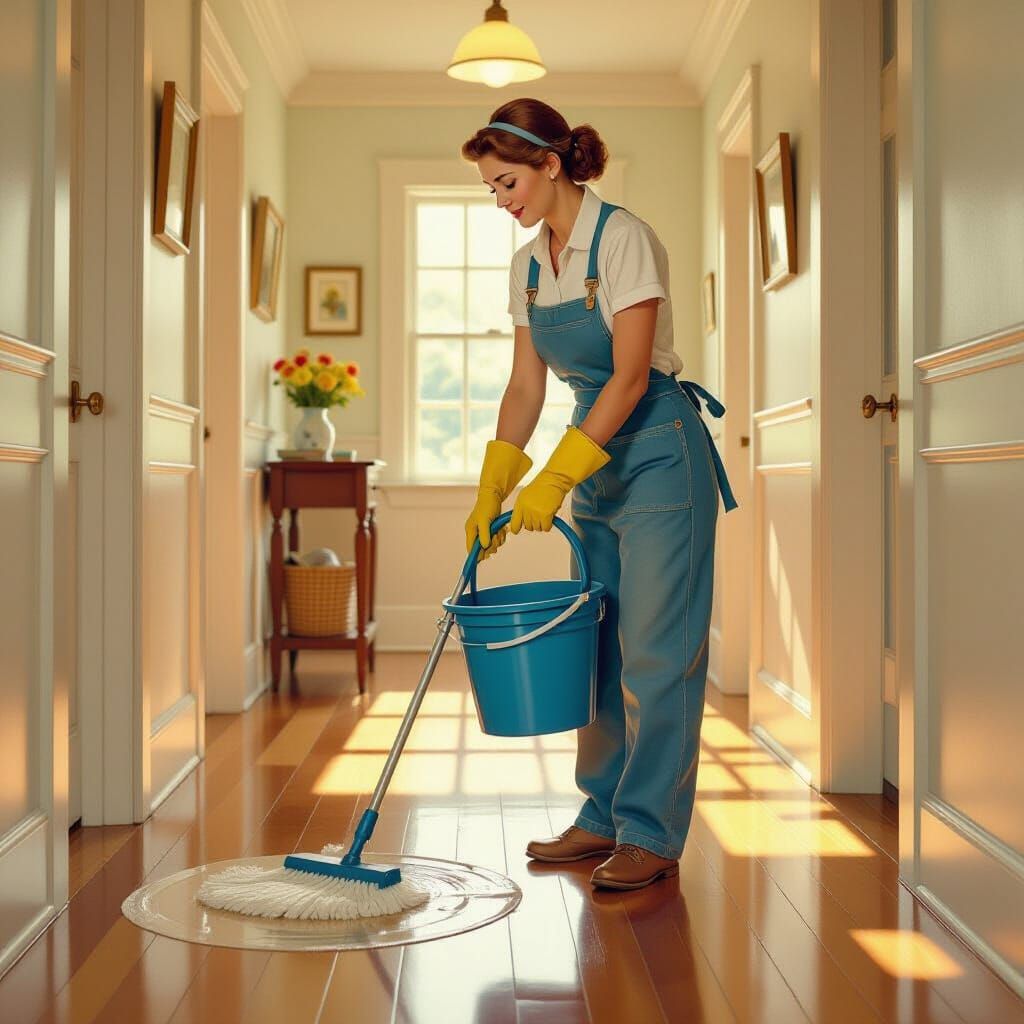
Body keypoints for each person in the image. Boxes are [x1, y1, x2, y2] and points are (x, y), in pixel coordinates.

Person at [461, 99, 737, 892]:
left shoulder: (623, 239)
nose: (501, 199)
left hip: (657, 452)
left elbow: (630, 376)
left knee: (656, 653)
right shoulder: (528, 265)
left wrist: (555, 477)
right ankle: (602, 815)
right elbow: (526, 385)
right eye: (491, 188)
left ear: (551, 164)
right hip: (597, 458)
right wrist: (496, 482)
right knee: (601, 644)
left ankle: (650, 831)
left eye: (508, 182)